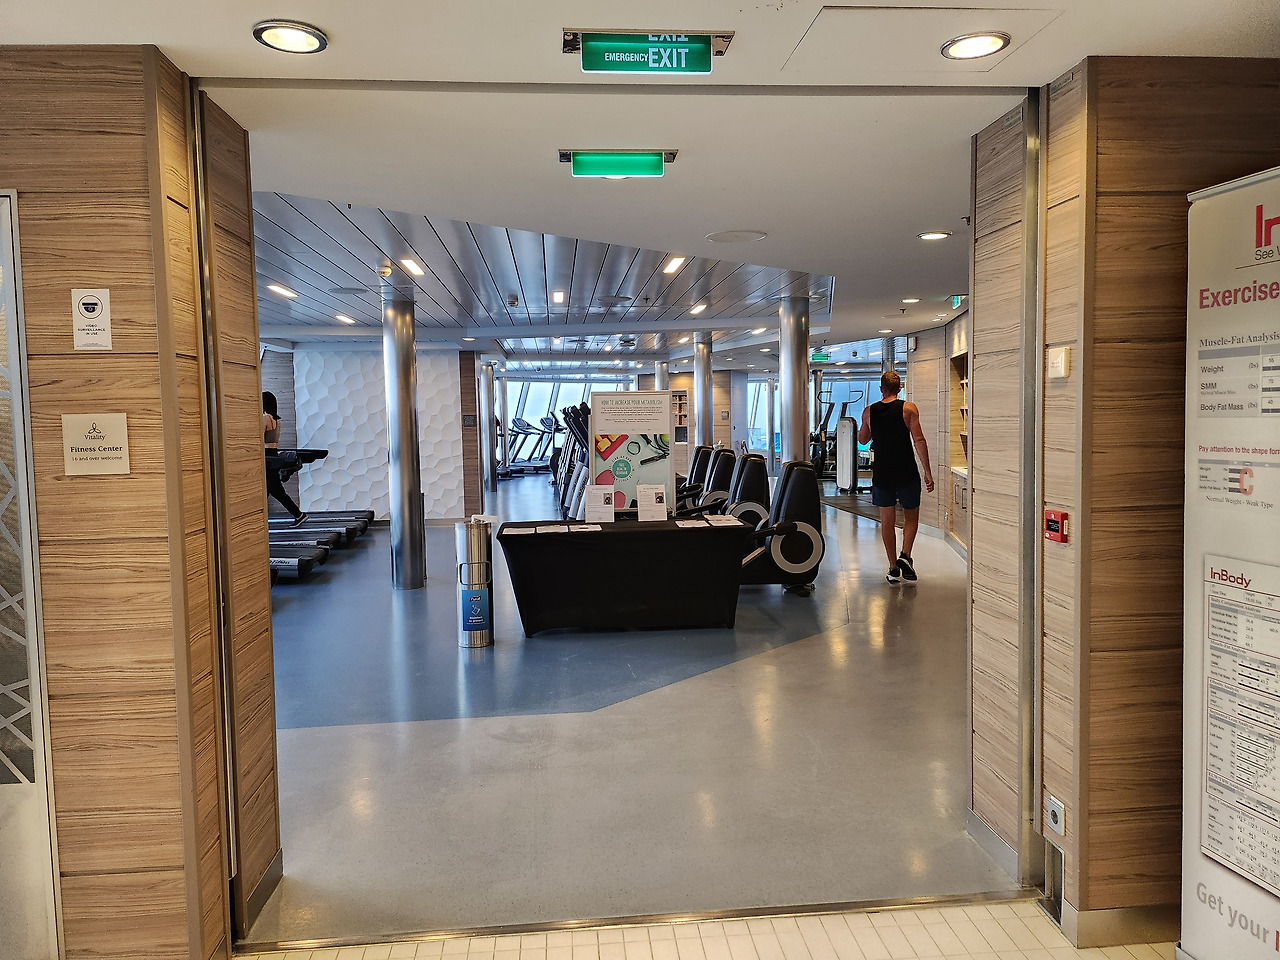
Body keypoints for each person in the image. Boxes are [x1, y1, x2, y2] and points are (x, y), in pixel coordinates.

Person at [858, 371, 934, 584]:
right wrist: (927, 472)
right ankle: (906, 555)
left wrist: (866, 425)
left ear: (881, 389)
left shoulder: (869, 411)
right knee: (911, 517)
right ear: (900, 388)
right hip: (906, 470)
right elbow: (919, 440)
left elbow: (863, 439)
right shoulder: (909, 409)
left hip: (883, 472)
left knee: (887, 521)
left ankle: (893, 567)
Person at [262, 391, 307, 526]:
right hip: (273, 452)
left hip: (266, 454)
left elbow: (257, 436)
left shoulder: (265, 418)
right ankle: (298, 514)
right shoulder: (276, 419)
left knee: (275, 490)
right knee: (271, 489)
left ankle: (298, 514)